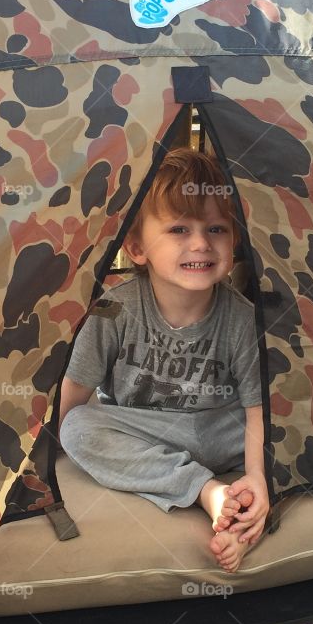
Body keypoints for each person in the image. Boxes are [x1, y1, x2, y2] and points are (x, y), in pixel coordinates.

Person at [57, 146, 270, 573]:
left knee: (287, 438)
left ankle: (242, 521)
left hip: (221, 429)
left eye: (216, 229)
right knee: (77, 428)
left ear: (234, 240)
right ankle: (206, 493)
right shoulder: (114, 310)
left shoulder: (243, 318)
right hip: (148, 433)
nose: (200, 244)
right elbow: (75, 393)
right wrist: (49, 449)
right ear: (137, 248)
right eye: (178, 230)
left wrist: (258, 479)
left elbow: (256, 411)